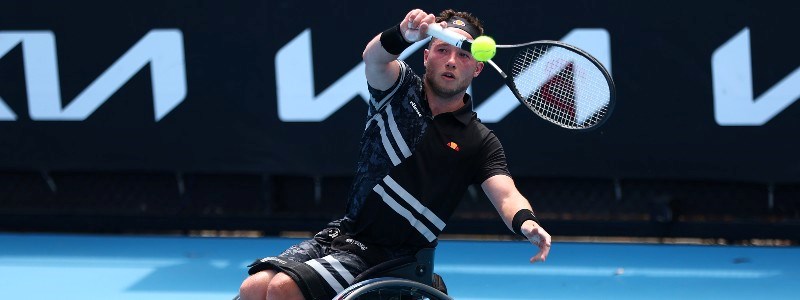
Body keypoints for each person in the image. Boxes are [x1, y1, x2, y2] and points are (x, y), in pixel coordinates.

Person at [239, 8, 551, 300]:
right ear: (427, 56)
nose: (452, 60)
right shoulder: (398, 90)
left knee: (282, 289)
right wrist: (402, 34)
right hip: (346, 233)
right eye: (443, 50)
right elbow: (373, 58)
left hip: (393, 256)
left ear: (477, 68)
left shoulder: (479, 141)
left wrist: (527, 222)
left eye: (463, 54)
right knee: (254, 287)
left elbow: (507, 195)